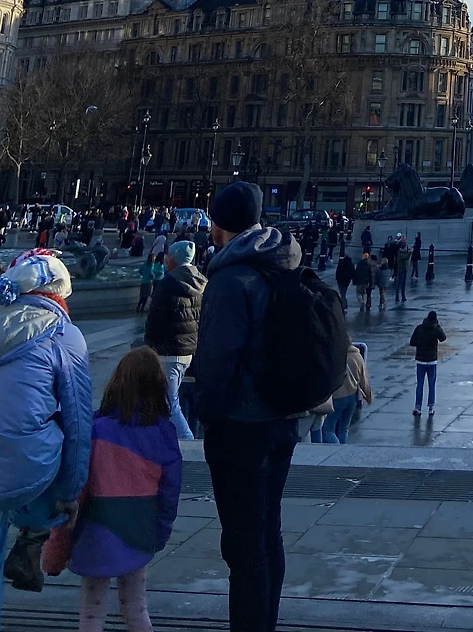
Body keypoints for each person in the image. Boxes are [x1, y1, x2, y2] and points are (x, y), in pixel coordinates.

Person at [193, 179, 304, 632]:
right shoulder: (282, 260)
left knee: (244, 547)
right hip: (282, 419)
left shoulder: (229, 279)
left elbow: (216, 361)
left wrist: (207, 415)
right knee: (268, 534)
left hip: (242, 426)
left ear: (221, 224)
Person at [0, 252, 91, 627]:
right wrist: (70, 492)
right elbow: (78, 424)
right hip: (11, 477)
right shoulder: (64, 336)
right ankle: (35, 531)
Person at [60, 346, 182, 631]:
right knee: (136, 606)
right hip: (139, 528)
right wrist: (161, 530)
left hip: (96, 527)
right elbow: (170, 492)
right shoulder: (162, 433)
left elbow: (77, 479)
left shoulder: (95, 428)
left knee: (92, 610)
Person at [143, 239, 204, 442]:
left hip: (168, 350)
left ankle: (187, 441)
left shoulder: (168, 283)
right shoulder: (201, 281)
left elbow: (155, 318)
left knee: (169, 402)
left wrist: (149, 345)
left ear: (175, 259)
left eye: (170, 256)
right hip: (188, 350)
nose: (167, 259)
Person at [329, 342, 372, 443]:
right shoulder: (357, 356)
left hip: (338, 396)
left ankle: (334, 448)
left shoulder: (336, 356)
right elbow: (364, 379)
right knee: (344, 428)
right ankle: (343, 447)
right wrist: (368, 396)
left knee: (328, 430)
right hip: (352, 396)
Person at [410, 311, 445, 416]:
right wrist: (438, 326)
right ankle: (431, 407)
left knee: (420, 385)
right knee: (431, 385)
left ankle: (418, 407)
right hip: (432, 361)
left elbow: (412, 342)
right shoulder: (436, 329)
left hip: (420, 361)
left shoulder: (419, 328)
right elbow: (443, 338)